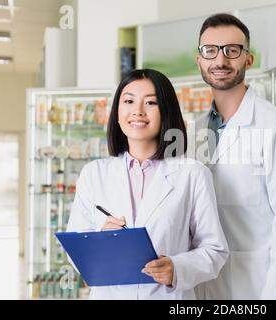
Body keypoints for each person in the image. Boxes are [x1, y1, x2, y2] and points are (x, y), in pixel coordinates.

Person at [66, 69, 228, 299]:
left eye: (151, 102)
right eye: (129, 101)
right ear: (117, 112)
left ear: (166, 110)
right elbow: (76, 252)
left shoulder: (192, 174)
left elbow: (215, 250)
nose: (138, 111)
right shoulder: (94, 174)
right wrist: (101, 240)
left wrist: (177, 268)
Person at [193, 13, 276, 300]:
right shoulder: (193, 131)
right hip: (201, 288)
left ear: (248, 59)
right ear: (199, 60)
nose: (220, 61)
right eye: (210, 51)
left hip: (257, 288)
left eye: (232, 51)